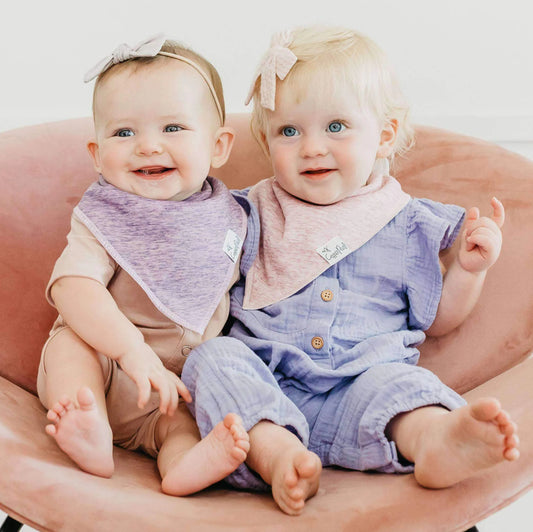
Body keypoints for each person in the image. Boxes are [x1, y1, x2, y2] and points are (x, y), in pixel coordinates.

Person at [181, 26, 520, 515]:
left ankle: (436, 442)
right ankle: (279, 456)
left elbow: (438, 321)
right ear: (266, 140)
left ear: (384, 135)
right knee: (213, 359)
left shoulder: (406, 221)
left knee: (404, 390)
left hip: (362, 386)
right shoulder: (251, 212)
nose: (311, 147)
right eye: (289, 131)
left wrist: (469, 270)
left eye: (335, 126)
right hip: (268, 382)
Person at [37, 34, 251, 496]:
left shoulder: (234, 217)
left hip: (172, 390)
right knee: (69, 346)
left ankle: (184, 465)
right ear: (97, 155)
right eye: (123, 133)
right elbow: (73, 287)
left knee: (182, 426)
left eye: (173, 128)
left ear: (218, 146)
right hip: (106, 368)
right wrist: (130, 350)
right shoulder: (104, 215)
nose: (148, 146)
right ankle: (87, 424)